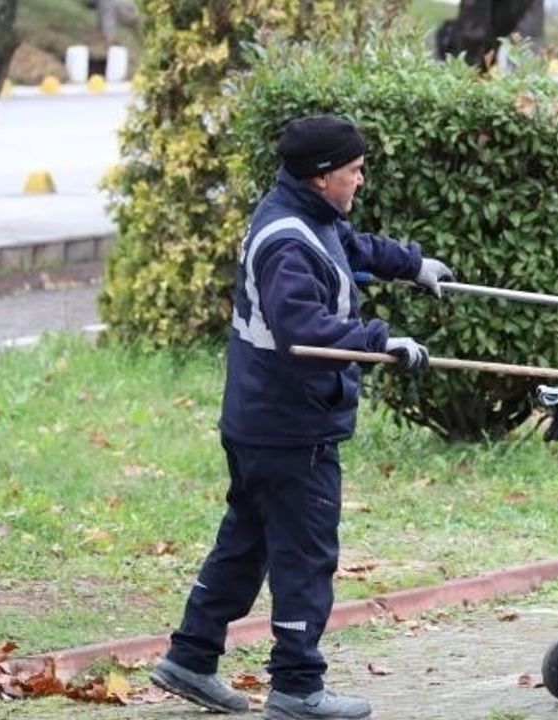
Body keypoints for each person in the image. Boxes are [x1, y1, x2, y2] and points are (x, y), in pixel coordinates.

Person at [150, 114, 454, 720]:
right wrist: (382, 341)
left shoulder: (301, 216)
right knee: (305, 551)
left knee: (249, 540)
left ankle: (190, 657)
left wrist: (411, 265)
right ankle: (297, 685)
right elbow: (302, 329)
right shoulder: (287, 242)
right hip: (290, 427)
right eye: (354, 171)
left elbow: (349, 248)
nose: (360, 181)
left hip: (261, 418)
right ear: (322, 177)